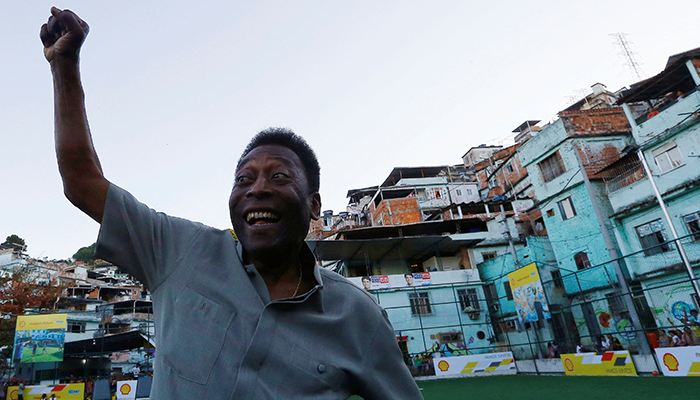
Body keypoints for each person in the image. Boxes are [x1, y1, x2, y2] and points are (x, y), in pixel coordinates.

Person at [40, 7, 421, 399]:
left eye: (278, 176)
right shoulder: (178, 251)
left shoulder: (358, 316)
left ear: (313, 204)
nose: (256, 189)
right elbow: (81, 181)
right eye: (243, 179)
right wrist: (64, 66)